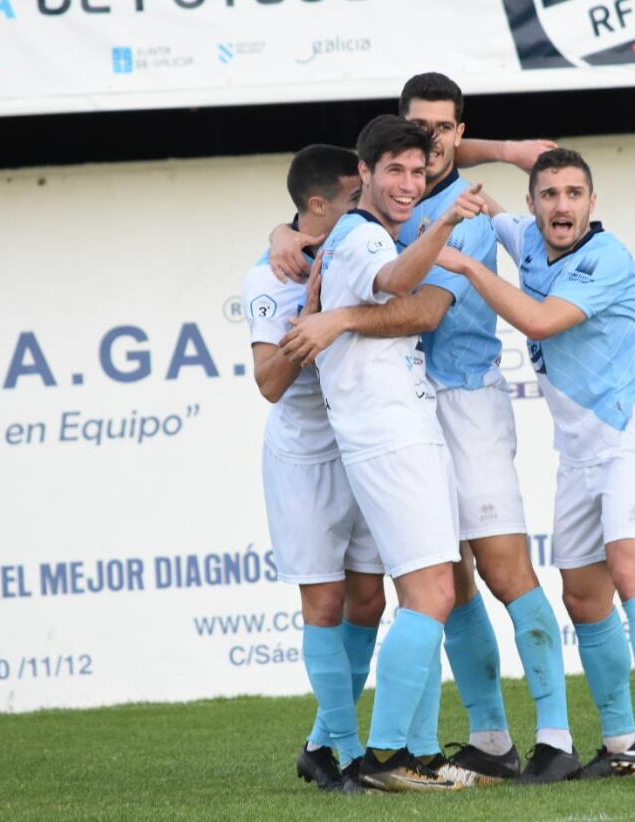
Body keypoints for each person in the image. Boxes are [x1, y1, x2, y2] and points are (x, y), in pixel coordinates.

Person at [278, 73, 579, 786]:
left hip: (463, 400)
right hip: (399, 411)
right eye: (419, 133)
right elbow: (318, 215)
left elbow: (424, 310)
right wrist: (287, 234)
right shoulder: (378, 202)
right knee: (443, 583)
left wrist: (339, 316)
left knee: (501, 571)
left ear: (457, 134)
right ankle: (481, 739)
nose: (432, 147)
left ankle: (557, 735)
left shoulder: (464, 209)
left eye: (446, 133)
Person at [436, 147, 635, 777]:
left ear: (592, 203)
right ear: (532, 204)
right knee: (582, 595)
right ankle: (624, 743)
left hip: (631, 433)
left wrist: (464, 264)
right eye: (549, 194)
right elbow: (479, 195)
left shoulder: (607, 256)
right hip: (578, 452)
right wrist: (460, 149)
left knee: (631, 570)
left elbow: (541, 321)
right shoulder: (523, 239)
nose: (561, 204)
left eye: (574, 193)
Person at [314, 113, 487, 792]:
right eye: (395, 170)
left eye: (419, 172)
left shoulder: (366, 235)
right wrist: (443, 228)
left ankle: (409, 749)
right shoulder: (359, 238)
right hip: (387, 435)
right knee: (431, 591)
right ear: (363, 173)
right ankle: (384, 757)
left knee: (431, 589)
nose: (409, 184)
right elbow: (393, 284)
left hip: (401, 428)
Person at [240, 145, 387, 793]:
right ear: (319, 206)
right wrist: (310, 322)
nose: (370, 208)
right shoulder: (270, 276)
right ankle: (350, 757)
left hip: (364, 443)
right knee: (324, 604)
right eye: (357, 199)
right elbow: (269, 383)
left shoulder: (361, 248)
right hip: (304, 459)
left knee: (371, 600)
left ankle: (323, 745)